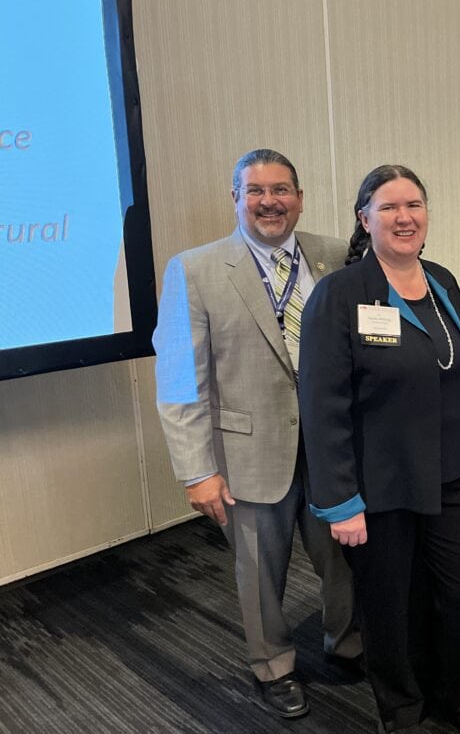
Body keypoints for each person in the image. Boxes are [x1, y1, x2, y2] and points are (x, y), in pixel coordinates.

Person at [152, 149, 362, 719]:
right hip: (247, 453)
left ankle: (346, 643)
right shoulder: (194, 269)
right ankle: (273, 666)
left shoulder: (334, 256)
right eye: (256, 191)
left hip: (329, 450)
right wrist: (197, 470)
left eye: (281, 190)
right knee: (259, 569)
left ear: (299, 197)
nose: (269, 201)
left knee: (342, 557)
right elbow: (178, 378)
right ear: (236, 198)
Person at [298, 165, 460, 734]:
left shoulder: (441, 279)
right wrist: (338, 500)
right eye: (388, 207)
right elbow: (322, 403)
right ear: (364, 218)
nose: (404, 217)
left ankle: (455, 696)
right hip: (380, 485)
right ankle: (402, 710)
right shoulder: (341, 294)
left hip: (451, 475)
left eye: (414, 204)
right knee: (389, 606)